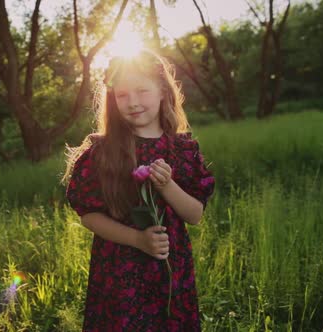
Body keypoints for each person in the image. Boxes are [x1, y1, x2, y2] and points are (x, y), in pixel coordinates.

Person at [62, 49, 215, 331]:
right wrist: (137, 239)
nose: (132, 102)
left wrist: (167, 185)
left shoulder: (182, 150)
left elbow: (195, 215)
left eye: (142, 90)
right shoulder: (103, 152)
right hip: (119, 271)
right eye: (122, 95)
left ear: (162, 92)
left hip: (170, 269)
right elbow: (89, 215)